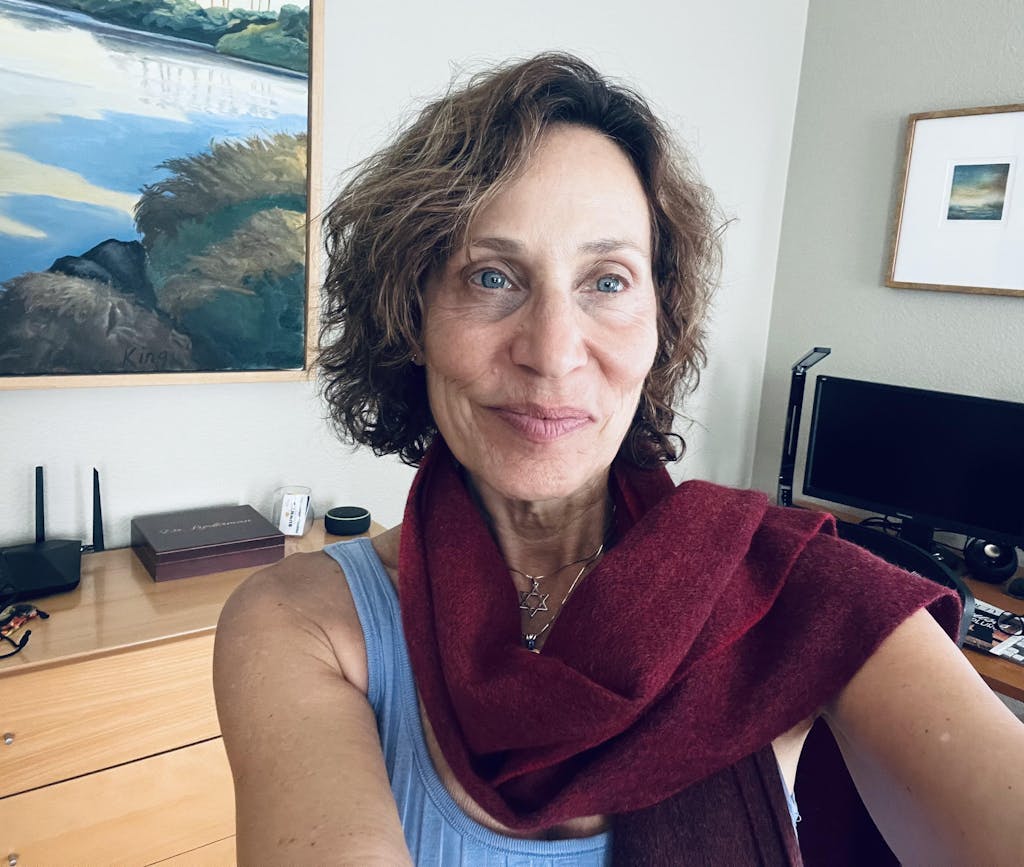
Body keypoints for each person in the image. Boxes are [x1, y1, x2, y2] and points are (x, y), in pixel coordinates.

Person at [213, 53, 1024, 865]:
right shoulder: (301, 622)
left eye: (607, 281)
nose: (552, 352)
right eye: (492, 276)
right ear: (411, 314)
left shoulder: (801, 592)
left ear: (660, 323)